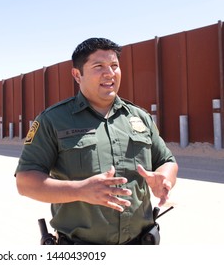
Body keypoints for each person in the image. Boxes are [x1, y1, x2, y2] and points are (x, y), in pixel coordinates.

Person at [14, 37, 178, 245]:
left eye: (114, 66)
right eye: (98, 66)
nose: (109, 73)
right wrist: (80, 190)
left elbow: (166, 160)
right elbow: (25, 182)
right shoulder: (53, 120)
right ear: (77, 74)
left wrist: (164, 179)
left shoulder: (139, 117)